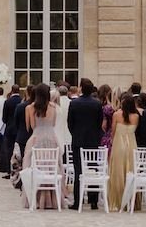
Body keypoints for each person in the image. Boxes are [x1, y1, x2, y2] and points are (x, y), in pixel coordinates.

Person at [65, 80, 105, 209]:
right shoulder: (97, 104)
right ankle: (93, 201)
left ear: (81, 88)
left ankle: (78, 201)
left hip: (78, 140)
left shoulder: (74, 103)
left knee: (78, 171)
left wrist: (75, 134)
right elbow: (99, 123)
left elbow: (70, 122)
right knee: (93, 168)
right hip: (93, 140)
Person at [22, 84, 62, 208]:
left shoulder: (30, 108)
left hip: (37, 137)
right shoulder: (54, 107)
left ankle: (36, 198)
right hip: (51, 137)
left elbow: (31, 126)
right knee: (52, 165)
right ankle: (51, 198)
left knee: (35, 165)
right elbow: (54, 123)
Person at [106, 91, 139, 209]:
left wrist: (112, 141)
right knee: (130, 170)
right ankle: (131, 201)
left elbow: (113, 131)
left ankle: (117, 200)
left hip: (119, 144)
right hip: (131, 145)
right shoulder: (136, 116)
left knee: (118, 172)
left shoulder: (116, 114)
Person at [0, 84, 24, 175]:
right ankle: (21, 169)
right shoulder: (22, 101)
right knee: (20, 150)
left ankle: (9, 171)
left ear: (12, 91)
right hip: (20, 129)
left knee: (9, 149)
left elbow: (4, 118)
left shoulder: (7, 102)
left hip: (9, 128)